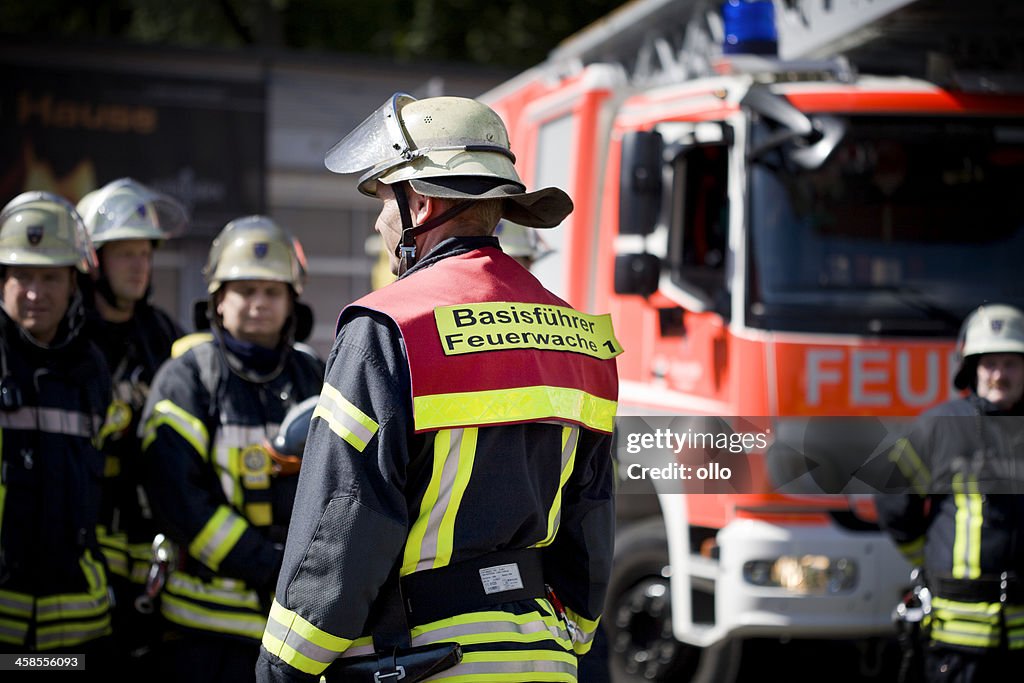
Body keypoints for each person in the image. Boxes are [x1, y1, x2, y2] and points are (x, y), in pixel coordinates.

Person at [256, 93, 621, 683]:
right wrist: (571, 632)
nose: (379, 221)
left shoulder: (389, 328)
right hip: (545, 658)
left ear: (419, 203)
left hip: (422, 658)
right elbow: (593, 512)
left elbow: (346, 517)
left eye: (382, 199)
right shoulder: (580, 335)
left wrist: (284, 665)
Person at [139, 216, 324, 682]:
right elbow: (178, 499)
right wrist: (269, 565)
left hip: (290, 633)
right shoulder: (189, 376)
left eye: (272, 292)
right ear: (218, 301)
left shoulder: (314, 374)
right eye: (244, 291)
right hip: (201, 632)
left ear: (291, 301)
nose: (258, 304)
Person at [875, 303, 1024, 682]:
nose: (999, 375)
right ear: (971, 369)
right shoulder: (940, 428)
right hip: (957, 637)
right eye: (989, 363)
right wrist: (925, 556)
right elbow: (893, 498)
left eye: (1011, 363)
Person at [76, 177, 188, 668]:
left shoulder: (161, 333)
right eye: (126, 254)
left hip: (148, 550)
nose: (140, 266)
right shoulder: (71, 337)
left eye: (145, 253)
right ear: (92, 259)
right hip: (82, 544)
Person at [0, 192, 115, 657]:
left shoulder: (91, 369)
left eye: (50, 277)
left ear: (73, 283)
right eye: (22, 276)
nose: (35, 292)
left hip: (77, 626)